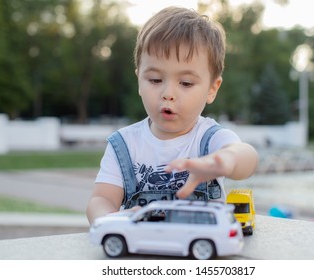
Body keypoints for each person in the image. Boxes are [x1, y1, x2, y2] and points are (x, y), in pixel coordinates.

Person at [86, 6, 258, 224]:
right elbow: (101, 198)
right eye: (155, 80)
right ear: (139, 80)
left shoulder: (210, 138)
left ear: (212, 89)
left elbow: (247, 158)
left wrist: (224, 161)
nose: (168, 94)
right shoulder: (125, 145)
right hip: (142, 250)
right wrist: (109, 218)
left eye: (185, 83)